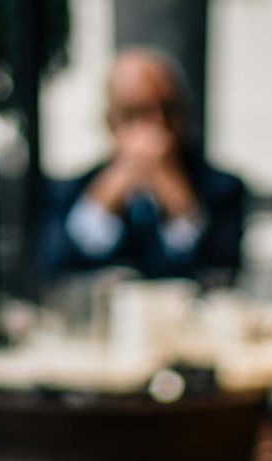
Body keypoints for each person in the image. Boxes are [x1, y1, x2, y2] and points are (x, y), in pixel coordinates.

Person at [39, 47, 247, 284]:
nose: (156, 125)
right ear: (111, 122)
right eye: (136, 113)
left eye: (167, 110)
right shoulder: (68, 191)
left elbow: (221, 273)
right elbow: (54, 269)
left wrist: (181, 208)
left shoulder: (222, 189)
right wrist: (103, 201)